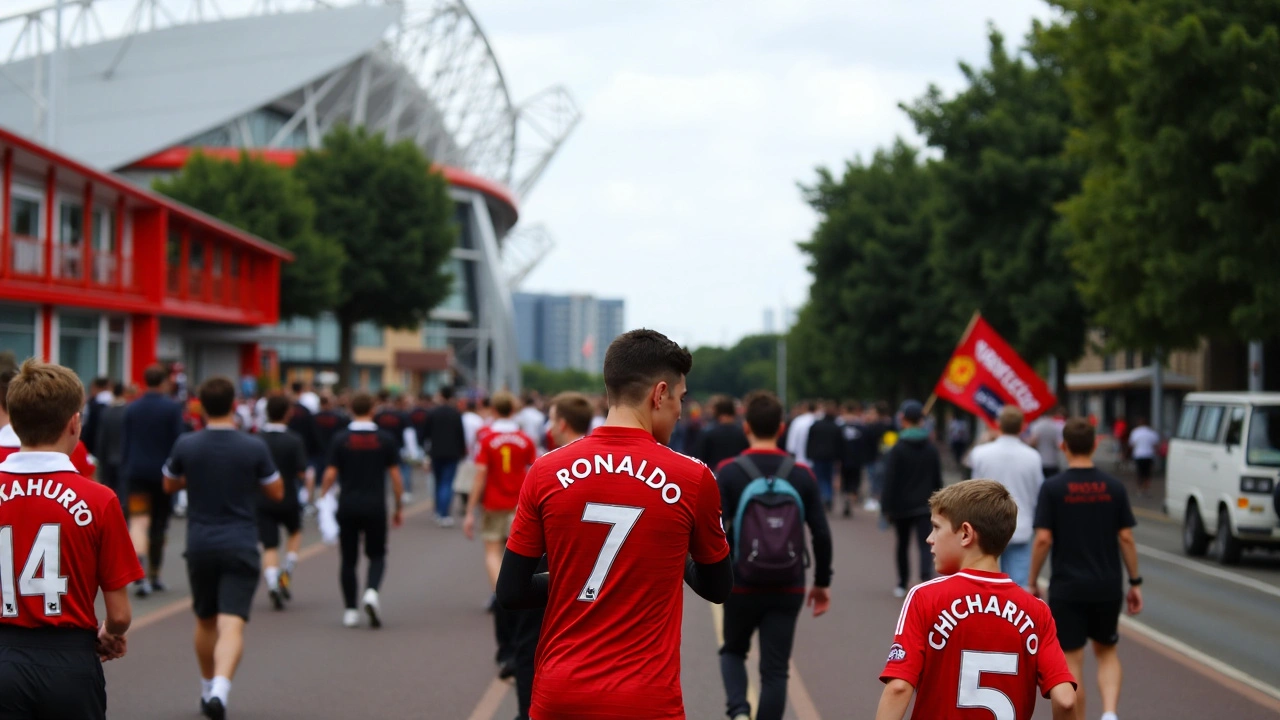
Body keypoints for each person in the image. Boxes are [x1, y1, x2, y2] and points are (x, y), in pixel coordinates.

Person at [496, 329, 733, 720]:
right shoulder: (693, 478)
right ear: (659, 394)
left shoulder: (545, 470)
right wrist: (669, 558)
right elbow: (719, 586)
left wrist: (577, 576)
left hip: (560, 693)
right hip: (645, 699)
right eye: (680, 398)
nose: (679, 411)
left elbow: (511, 591)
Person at [0, 360, 143, 719]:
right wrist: (110, 632)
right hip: (68, 661)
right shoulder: (99, 499)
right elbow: (120, 614)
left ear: (14, 423)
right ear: (74, 423)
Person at [876, 480, 1077, 720]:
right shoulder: (1037, 611)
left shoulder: (925, 597)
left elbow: (899, 687)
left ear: (966, 534)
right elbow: (1065, 700)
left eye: (936, 527)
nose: (930, 538)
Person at [161, 377, 284, 720]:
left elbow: (168, 484)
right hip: (241, 540)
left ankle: (205, 687)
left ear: (199, 405)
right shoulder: (254, 446)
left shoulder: (187, 444)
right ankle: (220, 689)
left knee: (204, 620)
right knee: (232, 624)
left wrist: (196, 478)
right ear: (234, 404)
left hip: (200, 541)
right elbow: (276, 492)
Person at [715, 390, 833, 720]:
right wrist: (822, 582)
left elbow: (715, 530)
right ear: (781, 428)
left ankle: (738, 710)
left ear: (746, 426)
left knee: (733, 650)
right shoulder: (801, 474)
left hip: (741, 580)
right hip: (789, 582)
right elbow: (821, 534)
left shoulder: (728, 471)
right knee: (776, 669)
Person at [1030, 418, 1143, 720]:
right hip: (1107, 584)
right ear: (1095, 444)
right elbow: (1126, 536)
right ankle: (1109, 714)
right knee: (1107, 652)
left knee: (1071, 660)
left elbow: (1042, 539)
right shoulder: (1114, 487)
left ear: (1062, 446)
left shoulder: (1053, 488)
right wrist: (1134, 581)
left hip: (1068, 587)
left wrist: (1031, 580)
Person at [509, 392, 592, 720]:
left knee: (530, 645)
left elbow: (511, 588)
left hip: (552, 568)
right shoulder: (603, 465)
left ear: (561, 423)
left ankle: (526, 712)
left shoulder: (548, 468)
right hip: (598, 577)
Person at [463, 390, 537, 678]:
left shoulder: (487, 438)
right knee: (514, 550)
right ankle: (510, 588)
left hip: (493, 501)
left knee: (492, 551)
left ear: (494, 409)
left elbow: (480, 472)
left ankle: (499, 594)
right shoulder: (525, 439)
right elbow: (533, 468)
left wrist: (470, 508)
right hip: (519, 502)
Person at [320, 392, 404, 628]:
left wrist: (321, 497)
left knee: (348, 559)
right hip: (375, 505)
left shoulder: (340, 438)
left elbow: (330, 474)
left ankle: (350, 610)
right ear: (373, 409)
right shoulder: (385, 439)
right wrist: (398, 506)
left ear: (350, 410)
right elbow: (396, 478)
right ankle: (371, 592)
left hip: (347, 505)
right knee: (377, 554)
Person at [120, 364, 185, 597]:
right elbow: (178, 442)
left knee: (138, 520)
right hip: (163, 475)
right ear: (165, 382)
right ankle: (155, 574)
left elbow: (125, 443)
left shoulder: (132, 408)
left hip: (136, 472)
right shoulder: (172, 408)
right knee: (159, 523)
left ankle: (139, 575)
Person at [969, 406, 1044, 591]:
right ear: (1021, 427)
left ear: (998, 425)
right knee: (1019, 586)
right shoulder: (1033, 457)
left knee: (985, 582)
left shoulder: (980, 454)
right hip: (1021, 525)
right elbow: (1038, 492)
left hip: (986, 524)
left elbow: (972, 490)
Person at [880, 399, 942, 598]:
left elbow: (890, 480)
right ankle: (925, 581)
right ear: (921, 421)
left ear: (903, 419)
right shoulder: (931, 448)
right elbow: (937, 479)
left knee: (902, 544)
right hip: (926, 505)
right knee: (926, 545)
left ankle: (902, 582)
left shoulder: (897, 448)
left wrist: (886, 507)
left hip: (901, 506)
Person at [257, 396, 309, 610]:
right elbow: (301, 471)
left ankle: (271, 582)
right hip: (287, 496)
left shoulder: (257, 439)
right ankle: (286, 569)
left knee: (269, 544)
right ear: (287, 413)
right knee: (295, 532)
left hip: (261, 497)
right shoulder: (294, 440)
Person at [424, 386, 466, 526]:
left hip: (436, 452)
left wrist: (425, 452)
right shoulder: (456, 413)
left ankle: (438, 511)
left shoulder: (432, 412)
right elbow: (461, 435)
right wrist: (462, 451)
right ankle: (444, 514)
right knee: (447, 483)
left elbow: (425, 434)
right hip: (453, 452)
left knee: (437, 481)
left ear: (441, 395)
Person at [94, 382, 129, 508]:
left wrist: (99, 457)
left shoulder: (106, 412)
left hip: (108, 457)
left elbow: (101, 438)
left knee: (109, 490)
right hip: (124, 458)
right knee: (123, 493)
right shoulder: (128, 411)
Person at [694, 395, 749, 473]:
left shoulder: (708, 433)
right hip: (738, 474)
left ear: (717, 412)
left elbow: (700, 458)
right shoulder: (743, 433)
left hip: (714, 474)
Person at [805, 400, 843, 511]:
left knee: (820, 478)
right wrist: (840, 458)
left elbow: (810, 441)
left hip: (818, 456)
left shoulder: (816, 425)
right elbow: (840, 444)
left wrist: (809, 454)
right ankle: (828, 496)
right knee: (829, 478)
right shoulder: (836, 427)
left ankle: (823, 497)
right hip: (831, 457)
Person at [838, 401, 866, 517]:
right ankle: (852, 496)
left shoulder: (840, 427)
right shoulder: (861, 427)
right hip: (857, 459)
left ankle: (847, 498)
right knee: (855, 481)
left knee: (845, 481)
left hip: (844, 459)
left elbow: (836, 445)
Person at [1028, 406, 1066, 478]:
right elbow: (1059, 444)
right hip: (1053, 460)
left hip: (1040, 461)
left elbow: (1033, 442)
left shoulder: (1036, 425)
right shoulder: (1055, 426)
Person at [1127, 417, 1160, 496]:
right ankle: (1146, 489)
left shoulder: (1135, 432)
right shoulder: (1151, 432)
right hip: (1149, 455)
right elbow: (1156, 445)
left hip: (1138, 455)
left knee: (1139, 473)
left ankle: (1139, 489)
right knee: (1147, 474)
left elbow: (1131, 444)